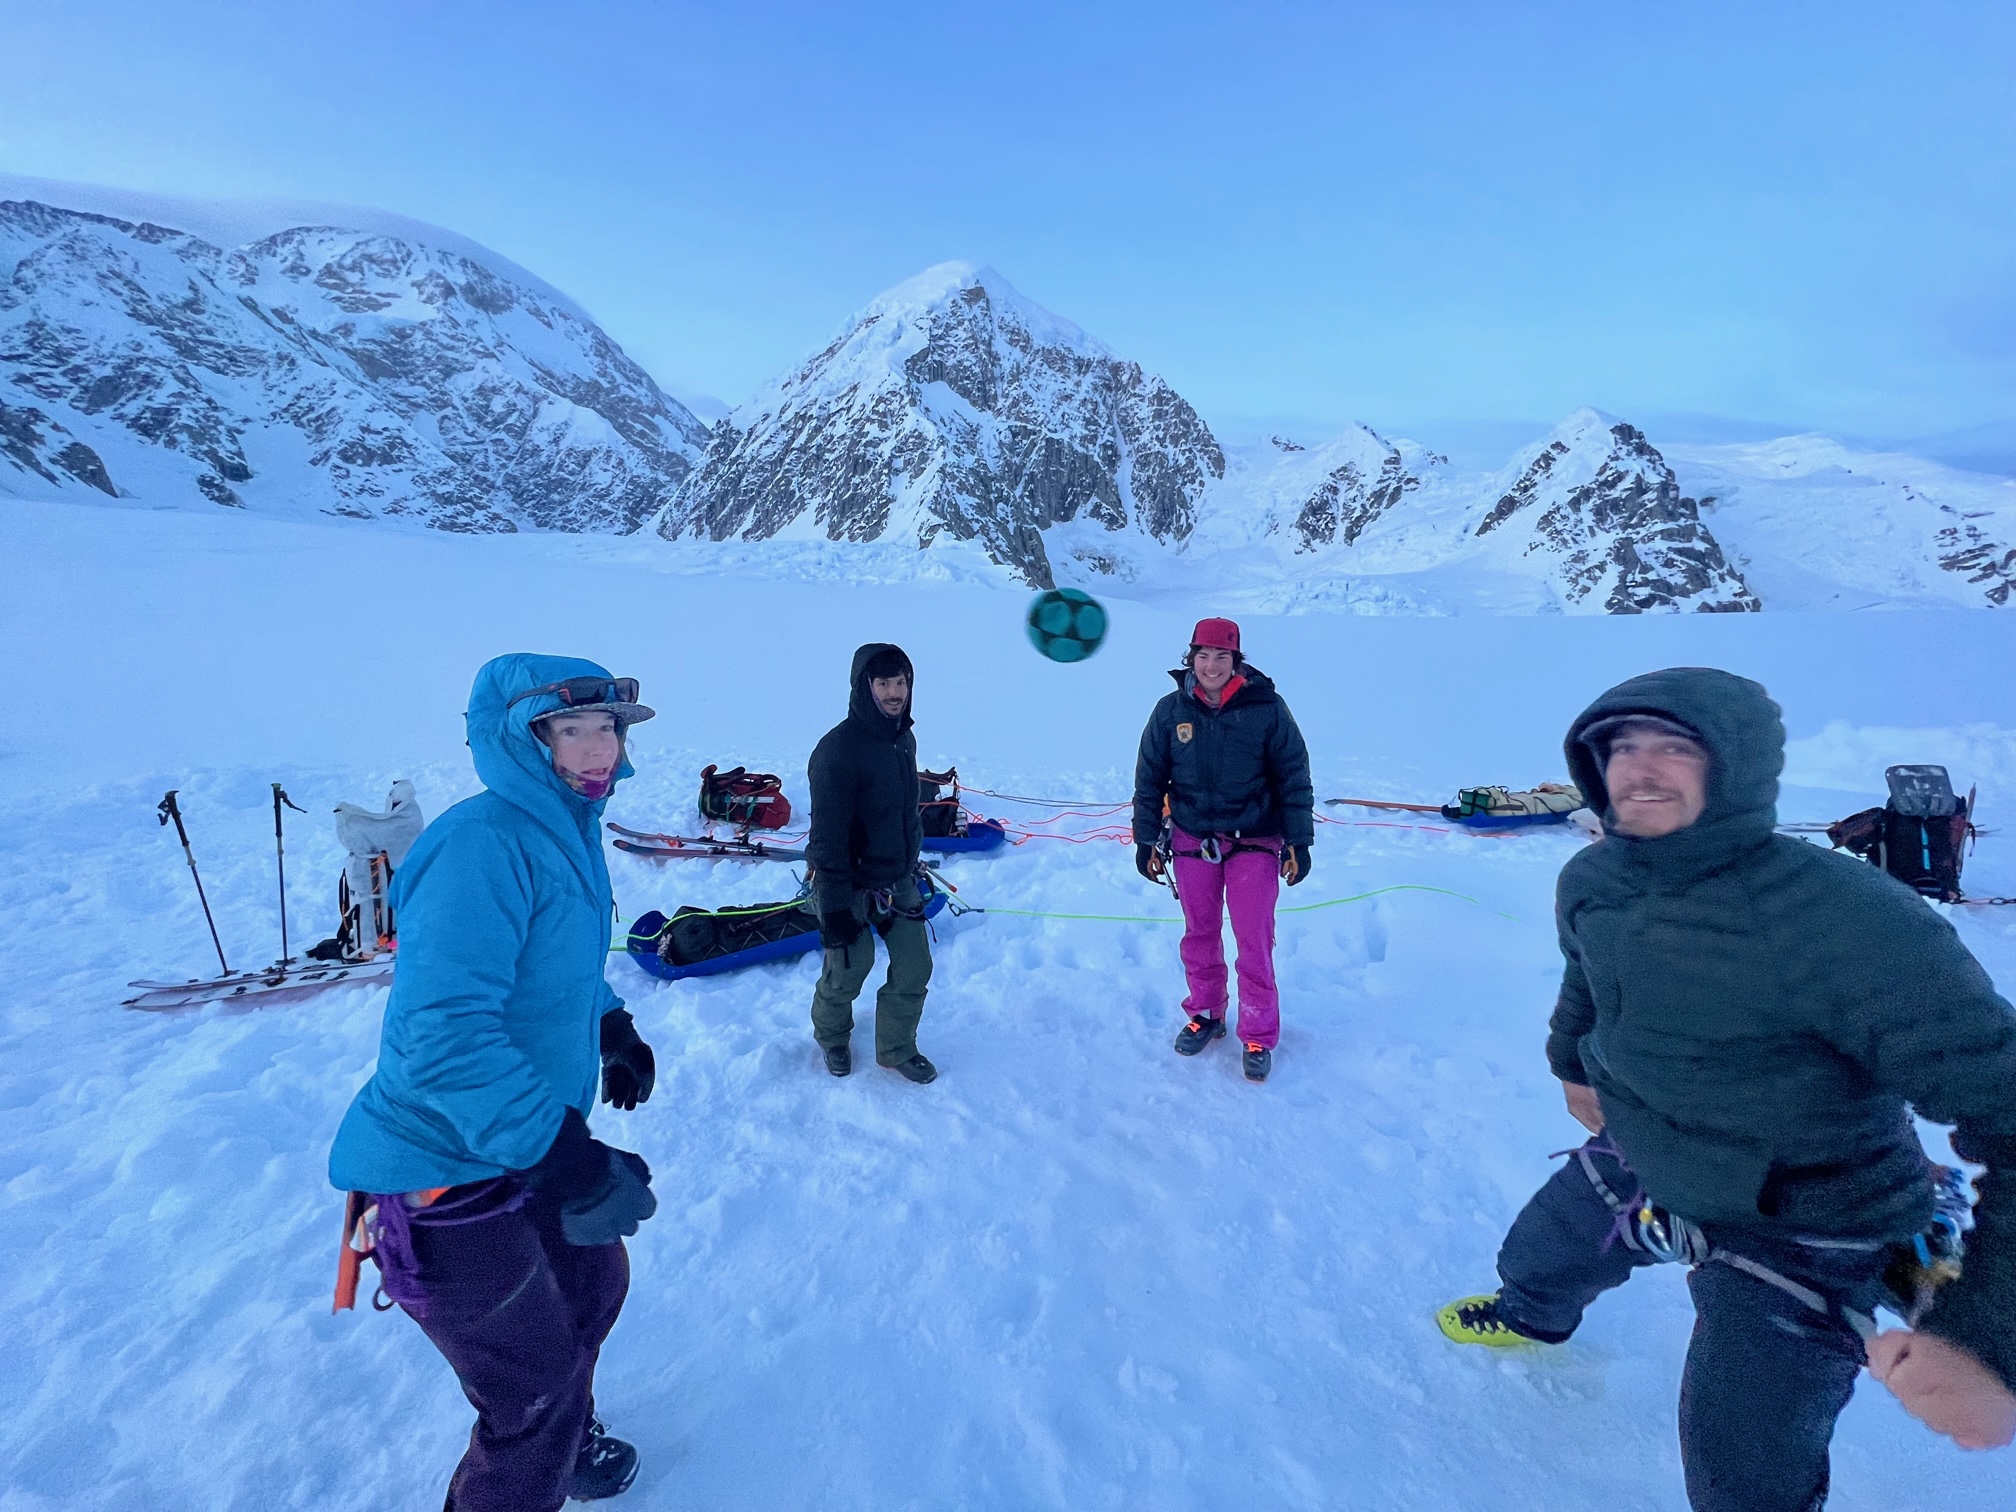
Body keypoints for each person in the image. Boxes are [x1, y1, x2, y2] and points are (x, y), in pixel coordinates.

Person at [1437, 667, 2016, 1511]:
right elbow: (1588, 982)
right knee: (1538, 1253)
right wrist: (1572, 1060)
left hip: (1808, 1220)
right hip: (1648, 1153)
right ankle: (1532, 1314)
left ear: (1738, 767)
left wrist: (1988, 1347)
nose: (1639, 768)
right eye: (1621, 746)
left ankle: (1905, 1259)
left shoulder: (1844, 918)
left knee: (1740, 1463)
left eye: (1675, 747)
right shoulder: (1595, 881)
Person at [329, 655, 662, 1511]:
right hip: (448, 1167)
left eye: (607, 729)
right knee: (531, 1389)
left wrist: (609, 1024)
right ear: (525, 741)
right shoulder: (482, 844)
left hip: (520, 1139)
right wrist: (566, 1154)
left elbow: (557, 963)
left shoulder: (565, 830)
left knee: (594, 1285)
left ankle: (564, 1435)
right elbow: (442, 1038)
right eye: (570, 731)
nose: (597, 751)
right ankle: (541, 1446)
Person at [1131, 617, 1313, 1083]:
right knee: (1199, 934)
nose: (1211, 665)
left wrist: (1299, 840)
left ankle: (1258, 1032)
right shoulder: (1170, 711)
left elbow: (1293, 775)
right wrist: (1145, 837)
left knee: (1253, 939)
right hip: (1192, 838)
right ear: (1190, 659)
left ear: (1237, 662)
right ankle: (1207, 1013)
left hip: (1253, 837)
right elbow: (1149, 779)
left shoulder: (1267, 708)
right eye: (1203, 655)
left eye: (1222, 656)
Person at [806, 642, 936, 1084]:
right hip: (848, 885)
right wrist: (836, 907)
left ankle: (897, 1048)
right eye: (883, 683)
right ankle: (831, 1037)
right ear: (864, 687)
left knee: (915, 965)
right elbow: (827, 839)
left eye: (900, 682)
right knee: (849, 967)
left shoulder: (903, 739)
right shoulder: (836, 751)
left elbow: (903, 813)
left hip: (896, 878)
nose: (894, 691)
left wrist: (908, 859)